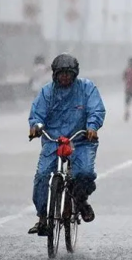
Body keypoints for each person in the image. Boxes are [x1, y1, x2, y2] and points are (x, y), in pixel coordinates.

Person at [27, 54, 106, 236]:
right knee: (42, 176)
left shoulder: (87, 89)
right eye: (61, 74)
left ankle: (80, 200)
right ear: (55, 74)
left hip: (81, 140)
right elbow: (37, 114)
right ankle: (43, 218)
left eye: (68, 74)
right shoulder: (47, 92)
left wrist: (92, 127)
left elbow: (96, 109)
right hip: (53, 141)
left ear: (75, 74)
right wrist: (36, 127)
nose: (64, 77)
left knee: (84, 173)